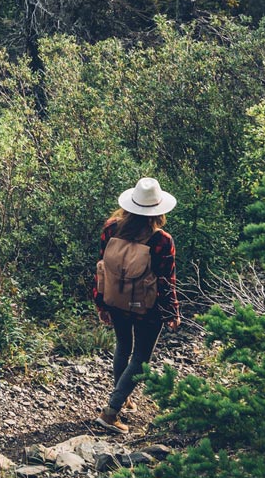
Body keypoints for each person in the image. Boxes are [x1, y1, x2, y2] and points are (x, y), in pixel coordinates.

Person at [92, 176, 181, 431]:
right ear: (158, 210)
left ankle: (122, 393)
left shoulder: (111, 228)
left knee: (123, 346)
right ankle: (111, 411)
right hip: (147, 309)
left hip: (116, 301)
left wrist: (101, 303)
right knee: (141, 358)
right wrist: (172, 312)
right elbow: (166, 280)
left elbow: (102, 270)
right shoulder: (161, 240)